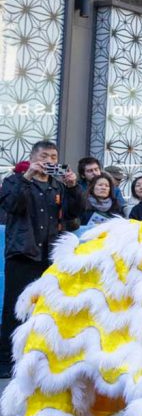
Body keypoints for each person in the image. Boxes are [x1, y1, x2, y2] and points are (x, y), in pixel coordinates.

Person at [1, 141, 83, 379]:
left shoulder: (57, 186)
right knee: (15, 309)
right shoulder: (14, 181)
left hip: (50, 256)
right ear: (33, 157)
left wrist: (73, 186)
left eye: (54, 156)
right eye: (44, 156)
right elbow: (12, 206)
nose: (50, 160)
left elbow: (74, 213)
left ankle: (41, 357)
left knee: (48, 308)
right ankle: (6, 360)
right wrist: (27, 176)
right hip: (23, 253)